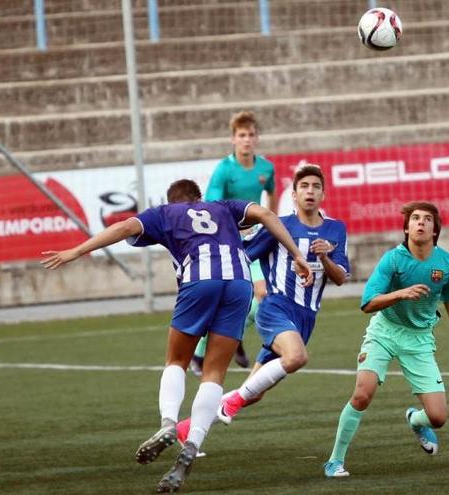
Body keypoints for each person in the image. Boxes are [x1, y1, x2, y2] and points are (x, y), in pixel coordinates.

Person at [40, 179, 313, 493]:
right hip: (239, 282)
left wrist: (76, 251)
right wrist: (296, 254)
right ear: (198, 197)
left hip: (200, 278)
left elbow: (123, 228)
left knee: (177, 360)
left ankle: (169, 424)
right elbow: (266, 214)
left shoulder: (164, 213)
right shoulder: (223, 207)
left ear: (173, 201)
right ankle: (192, 444)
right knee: (214, 374)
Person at [172, 164, 350, 443]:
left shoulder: (336, 230)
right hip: (276, 308)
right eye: (304, 187)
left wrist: (325, 257)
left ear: (324, 194)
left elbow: (341, 278)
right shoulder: (280, 226)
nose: (310, 192)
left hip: (306, 317)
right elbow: (240, 255)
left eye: (316, 187)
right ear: (293, 194)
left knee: (254, 393)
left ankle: (184, 430)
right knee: (296, 357)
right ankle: (230, 403)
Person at [322, 201, 449, 478]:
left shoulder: (447, 263)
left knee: (438, 417)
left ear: (435, 230)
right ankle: (334, 461)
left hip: (419, 339)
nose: (421, 223)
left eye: (427, 219)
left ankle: (415, 420)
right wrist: (400, 293)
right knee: (362, 394)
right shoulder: (393, 259)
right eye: (415, 218)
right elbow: (367, 302)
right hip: (384, 332)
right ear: (406, 227)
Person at [191, 110, 278, 375]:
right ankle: (200, 351)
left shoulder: (266, 167)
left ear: (257, 138)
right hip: (231, 242)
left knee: (260, 297)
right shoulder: (224, 170)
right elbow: (213, 207)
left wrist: (268, 222)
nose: (247, 140)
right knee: (252, 294)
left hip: (257, 240)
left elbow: (271, 193)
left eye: (251, 135)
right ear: (233, 139)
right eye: (242, 135)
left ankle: (231, 336)